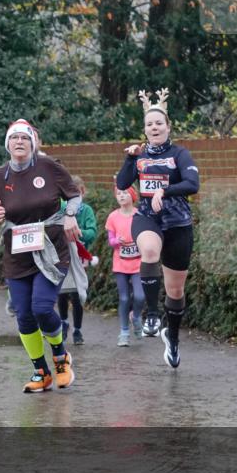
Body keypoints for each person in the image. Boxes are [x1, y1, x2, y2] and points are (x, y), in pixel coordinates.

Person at [0, 119, 82, 393]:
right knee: (23, 315)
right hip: (17, 254)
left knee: (42, 307)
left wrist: (70, 215)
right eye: (14, 139)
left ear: (33, 144)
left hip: (50, 249)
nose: (19, 142)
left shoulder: (49, 167)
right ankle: (41, 371)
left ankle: (60, 357)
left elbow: (74, 196)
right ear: (7, 145)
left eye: (24, 138)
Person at [116, 89, 199, 368]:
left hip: (178, 223)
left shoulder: (180, 154)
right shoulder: (138, 156)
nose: (154, 127)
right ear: (145, 129)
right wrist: (129, 159)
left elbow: (192, 184)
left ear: (168, 127)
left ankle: (172, 337)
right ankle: (151, 314)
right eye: (150, 124)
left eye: (159, 123)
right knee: (149, 251)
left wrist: (166, 189)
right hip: (148, 218)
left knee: (175, 292)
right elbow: (122, 182)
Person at [56, 175, 97, 344]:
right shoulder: (60, 210)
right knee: (61, 292)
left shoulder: (86, 210)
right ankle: (64, 323)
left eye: (76, 194)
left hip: (80, 256)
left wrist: (79, 233)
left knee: (76, 293)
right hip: (62, 255)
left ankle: (78, 330)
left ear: (82, 192)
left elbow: (92, 231)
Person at [106, 185, 145, 346]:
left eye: (124, 193)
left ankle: (135, 316)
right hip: (120, 263)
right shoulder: (113, 217)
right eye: (118, 194)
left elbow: (147, 235)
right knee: (123, 298)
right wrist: (117, 241)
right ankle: (124, 332)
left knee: (140, 296)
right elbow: (111, 240)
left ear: (132, 195)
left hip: (138, 263)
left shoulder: (140, 215)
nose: (121, 196)